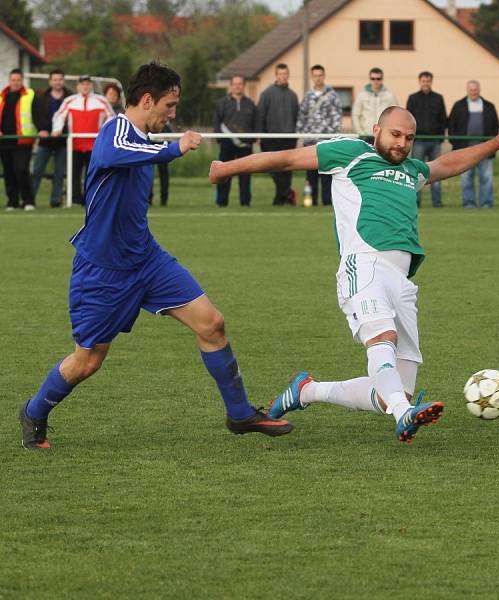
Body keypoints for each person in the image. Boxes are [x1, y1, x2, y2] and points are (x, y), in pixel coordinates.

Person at [18, 62, 292, 450]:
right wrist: (175, 148)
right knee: (88, 362)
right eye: (169, 104)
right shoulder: (115, 131)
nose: (173, 114)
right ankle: (33, 411)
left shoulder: (142, 139)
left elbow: (141, 156)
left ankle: (240, 413)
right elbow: (123, 152)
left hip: (146, 260)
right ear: (147, 100)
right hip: (102, 270)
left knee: (212, 324)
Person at [209, 107, 499, 442]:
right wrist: (227, 168)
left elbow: (449, 163)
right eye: (395, 134)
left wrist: (498, 142)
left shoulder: (412, 170)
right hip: (363, 264)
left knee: (393, 390)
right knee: (382, 339)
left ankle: (307, 391)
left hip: (401, 282)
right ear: (377, 130)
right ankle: (404, 416)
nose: (402, 144)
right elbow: (286, 159)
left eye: (409, 138)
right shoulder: (351, 153)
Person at [52, 75, 114, 206]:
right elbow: (59, 115)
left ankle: (91, 198)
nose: (85, 86)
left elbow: (111, 117)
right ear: (78, 86)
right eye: (82, 84)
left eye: (87, 84)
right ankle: (74, 199)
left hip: (95, 145)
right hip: (75, 145)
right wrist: (57, 129)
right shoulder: (70, 101)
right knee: (74, 172)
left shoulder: (101, 101)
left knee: (92, 173)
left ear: (91, 86)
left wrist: (104, 132)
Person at [448, 80, 499, 208]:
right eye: (471, 90)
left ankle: (486, 203)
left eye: (475, 89)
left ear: (479, 90)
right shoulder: (458, 106)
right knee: (466, 178)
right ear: (467, 90)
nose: (473, 92)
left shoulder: (489, 106)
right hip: (465, 150)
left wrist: (493, 144)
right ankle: (468, 203)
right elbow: (451, 126)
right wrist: (455, 143)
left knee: (486, 178)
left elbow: (495, 126)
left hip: (485, 149)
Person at [295, 64, 341, 206]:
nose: (318, 78)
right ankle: (312, 201)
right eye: (315, 75)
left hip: (326, 141)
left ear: (324, 76)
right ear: (312, 77)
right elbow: (302, 116)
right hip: (310, 142)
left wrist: (329, 133)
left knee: (327, 174)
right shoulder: (308, 96)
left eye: (320, 75)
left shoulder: (332, 96)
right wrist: (301, 134)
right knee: (311, 175)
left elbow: (337, 117)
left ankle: (327, 202)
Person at [256, 63, 298, 206]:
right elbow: (260, 115)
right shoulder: (267, 94)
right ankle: (286, 194)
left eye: (285, 73)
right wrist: (260, 136)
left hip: (289, 139)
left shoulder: (293, 95)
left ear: (288, 75)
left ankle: (280, 199)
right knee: (274, 170)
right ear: (276, 75)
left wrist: (295, 137)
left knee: (287, 171)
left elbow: (296, 117)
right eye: (280, 74)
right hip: (270, 139)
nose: (283, 76)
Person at [214, 75, 257, 207]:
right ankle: (221, 202)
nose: (238, 86)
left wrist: (252, 139)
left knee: (245, 176)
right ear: (231, 86)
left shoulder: (250, 104)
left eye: (240, 84)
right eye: (235, 84)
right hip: (227, 144)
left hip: (245, 146)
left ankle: (245, 202)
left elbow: (256, 124)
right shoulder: (222, 103)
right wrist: (220, 139)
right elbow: (217, 123)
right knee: (224, 174)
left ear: (244, 86)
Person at [406, 71, 447, 208]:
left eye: (428, 81)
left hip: (435, 141)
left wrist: (440, 137)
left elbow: (443, 119)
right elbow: (408, 119)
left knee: (437, 171)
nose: (425, 83)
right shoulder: (412, 98)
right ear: (419, 82)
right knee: (416, 172)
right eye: (423, 81)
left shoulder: (438, 98)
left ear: (431, 81)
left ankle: (437, 202)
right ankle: (415, 201)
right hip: (419, 141)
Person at [32, 69, 72, 208]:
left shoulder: (70, 97)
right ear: (50, 81)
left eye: (60, 79)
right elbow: (35, 115)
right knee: (37, 170)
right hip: (45, 141)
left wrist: (64, 131)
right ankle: (30, 200)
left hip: (63, 141)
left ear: (63, 81)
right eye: (55, 79)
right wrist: (41, 130)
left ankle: (56, 201)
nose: (57, 82)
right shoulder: (40, 97)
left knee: (59, 172)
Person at [1, 68, 37, 211]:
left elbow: (36, 114)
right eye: (13, 80)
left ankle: (28, 200)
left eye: (18, 80)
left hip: (23, 141)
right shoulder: (2, 96)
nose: (15, 83)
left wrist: (42, 128)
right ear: (9, 81)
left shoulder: (30, 95)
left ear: (22, 81)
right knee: (8, 172)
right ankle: (12, 201)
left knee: (21, 170)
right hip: (4, 142)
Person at [352, 68, 398, 139]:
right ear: (370, 79)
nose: (375, 81)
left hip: (384, 136)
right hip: (366, 136)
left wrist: (390, 132)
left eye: (378, 78)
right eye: (373, 78)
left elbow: (395, 115)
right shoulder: (361, 96)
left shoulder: (389, 96)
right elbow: (355, 115)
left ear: (382, 79)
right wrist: (361, 133)